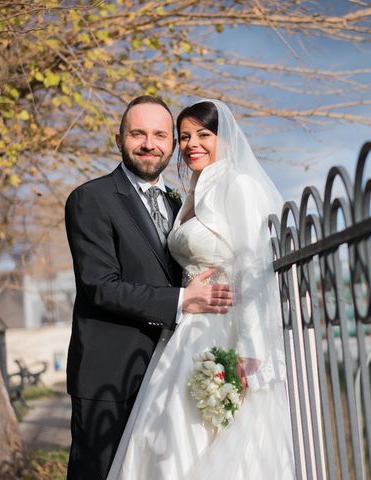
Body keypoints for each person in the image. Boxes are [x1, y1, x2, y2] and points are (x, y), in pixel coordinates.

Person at [106, 99, 294, 479]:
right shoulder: (191, 192)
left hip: (223, 329)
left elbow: (253, 269)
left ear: (224, 139)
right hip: (187, 330)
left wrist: (250, 350)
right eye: (185, 136)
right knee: (168, 441)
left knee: (202, 440)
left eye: (204, 135)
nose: (193, 143)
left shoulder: (238, 185)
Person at [64, 95, 233, 480]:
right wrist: (183, 300)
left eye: (160, 134)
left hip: (170, 370)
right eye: (137, 133)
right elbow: (100, 286)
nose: (148, 143)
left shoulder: (180, 204)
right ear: (119, 139)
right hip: (110, 371)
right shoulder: (91, 199)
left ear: (172, 144)